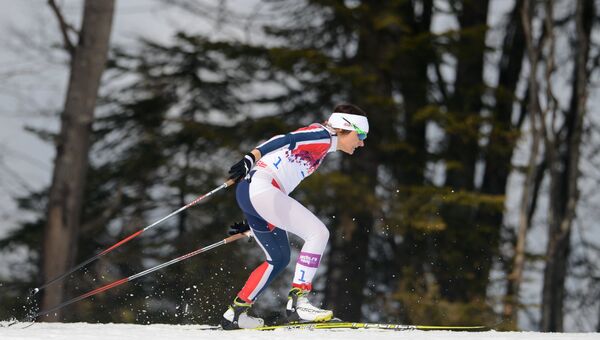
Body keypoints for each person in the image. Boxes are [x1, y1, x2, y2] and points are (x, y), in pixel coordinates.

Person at [221, 104, 369, 330]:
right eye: (361, 135)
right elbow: (285, 139)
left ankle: (236, 313)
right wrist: (250, 157)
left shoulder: (325, 144)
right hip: (262, 189)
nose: (362, 142)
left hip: (254, 194)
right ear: (343, 128)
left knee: (279, 257)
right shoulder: (323, 135)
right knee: (318, 233)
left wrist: (258, 217)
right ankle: (298, 302)